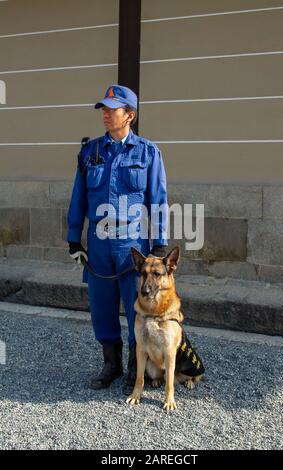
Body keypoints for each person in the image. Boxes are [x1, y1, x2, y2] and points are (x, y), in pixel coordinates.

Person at [66, 84, 169, 395]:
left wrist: (160, 243)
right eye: (104, 109)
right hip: (98, 240)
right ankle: (111, 363)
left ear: (130, 115)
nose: (106, 114)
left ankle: (137, 366)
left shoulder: (148, 152)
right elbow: (78, 198)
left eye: (113, 109)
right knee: (101, 305)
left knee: (137, 305)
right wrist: (74, 239)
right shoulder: (90, 152)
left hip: (132, 244)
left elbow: (159, 200)